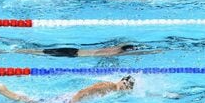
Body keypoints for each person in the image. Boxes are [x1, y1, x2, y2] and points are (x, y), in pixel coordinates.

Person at [0, 75, 136, 103]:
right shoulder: (108, 86)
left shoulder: (113, 90)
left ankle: (7, 93)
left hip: (69, 98)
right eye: (125, 84)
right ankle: (3, 91)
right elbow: (84, 91)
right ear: (121, 80)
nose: (125, 88)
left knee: (36, 102)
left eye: (128, 87)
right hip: (69, 99)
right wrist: (73, 102)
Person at [14, 44, 159, 58]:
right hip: (73, 54)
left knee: (38, 51)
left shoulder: (114, 49)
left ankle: (17, 51)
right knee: (39, 52)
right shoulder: (115, 52)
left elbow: (125, 45)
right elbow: (135, 52)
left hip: (75, 51)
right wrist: (153, 52)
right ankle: (14, 51)